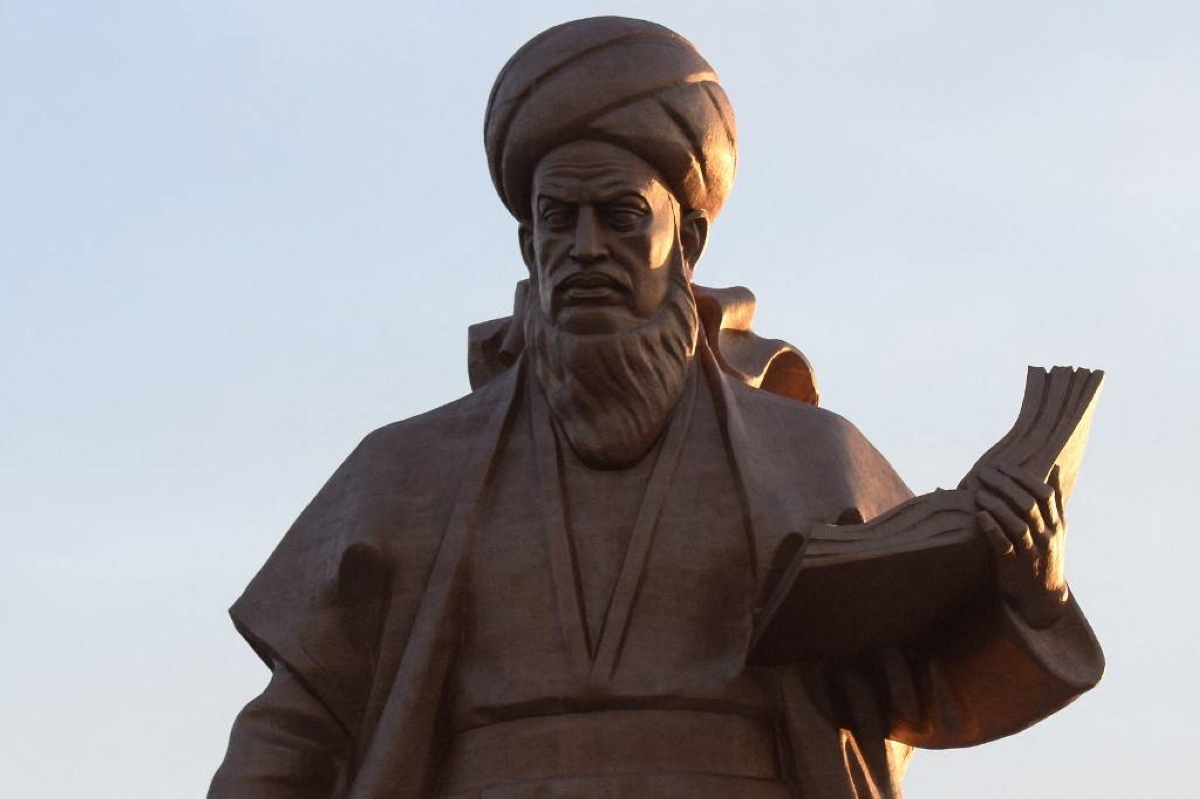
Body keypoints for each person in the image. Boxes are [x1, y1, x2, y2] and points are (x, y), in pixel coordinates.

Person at [211, 17, 1102, 798]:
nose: (585, 248)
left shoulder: (810, 458)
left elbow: (922, 684)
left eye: (621, 215)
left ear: (690, 237)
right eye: (558, 221)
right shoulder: (409, 472)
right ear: (528, 243)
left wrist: (1030, 586)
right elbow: (299, 723)